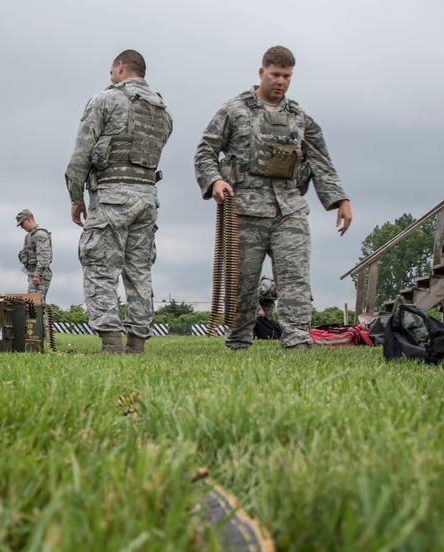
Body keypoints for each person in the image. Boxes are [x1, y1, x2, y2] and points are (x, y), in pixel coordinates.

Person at [194, 45, 352, 350]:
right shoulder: (233, 110)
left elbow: (321, 162)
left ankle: (297, 342)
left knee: (295, 278)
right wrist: (214, 180)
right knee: (243, 284)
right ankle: (239, 340)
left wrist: (340, 200)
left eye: (287, 76)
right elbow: (206, 151)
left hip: (289, 208)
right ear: (262, 73)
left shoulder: (300, 118)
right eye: (276, 74)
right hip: (245, 210)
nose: (281, 81)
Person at [65, 50, 173, 354]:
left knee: (100, 265)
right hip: (148, 197)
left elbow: (80, 156)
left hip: (112, 196)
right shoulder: (163, 110)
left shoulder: (105, 99)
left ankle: (111, 342)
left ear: (120, 67)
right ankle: (136, 343)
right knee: (139, 270)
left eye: (112, 70)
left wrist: (76, 198)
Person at [15, 209, 53, 301]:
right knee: (34, 304)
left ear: (28, 219)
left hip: (39, 275)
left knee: (35, 304)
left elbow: (44, 257)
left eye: (22, 224)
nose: (22, 227)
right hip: (33, 273)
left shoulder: (40, 235)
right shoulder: (30, 236)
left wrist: (37, 275)